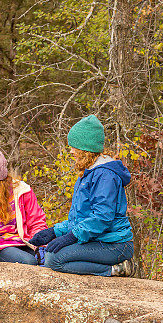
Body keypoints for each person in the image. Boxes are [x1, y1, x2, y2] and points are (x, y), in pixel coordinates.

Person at [30, 115, 135, 277]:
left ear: (86, 149)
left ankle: (116, 269)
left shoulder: (105, 175)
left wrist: (71, 237)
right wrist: (54, 232)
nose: (71, 151)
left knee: (54, 260)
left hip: (115, 244)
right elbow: (80, 218)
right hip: (100, 240)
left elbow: (102, 218)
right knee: (49, 254)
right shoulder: (89, 173)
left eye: (74, 147)